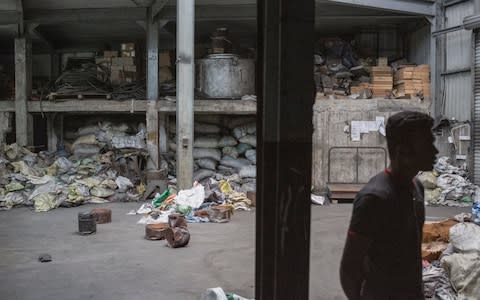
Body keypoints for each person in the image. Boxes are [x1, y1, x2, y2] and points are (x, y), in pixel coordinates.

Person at [340, 111, 439, 300]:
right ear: (403, 151)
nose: (435, 151)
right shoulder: (374, 199)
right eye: (428, 144)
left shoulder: (416, 187)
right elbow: (349, 269)